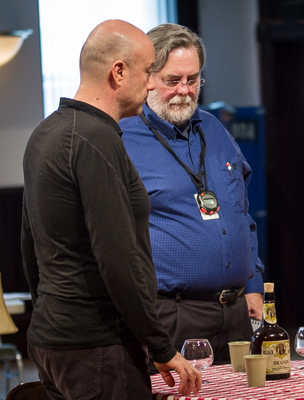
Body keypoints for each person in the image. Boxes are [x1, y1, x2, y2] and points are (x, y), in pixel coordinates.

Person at [21, 20, 202, 398]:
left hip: (54, 339)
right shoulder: (96, 137)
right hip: (97, 344)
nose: (151, 83)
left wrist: (53, 315)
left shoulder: (46, 132)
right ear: (119, 72)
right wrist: (160, 345)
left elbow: (29, 245)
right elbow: (118, 256)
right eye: (149, 71)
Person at [119, 23, 264, 368]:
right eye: (173, 80)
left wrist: (254, 281)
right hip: (172, 313)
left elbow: (242, 215)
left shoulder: (214, 129)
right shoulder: (121, 138)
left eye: (193, 79)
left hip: (236, 312)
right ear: (148, 77)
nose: (184, 90)